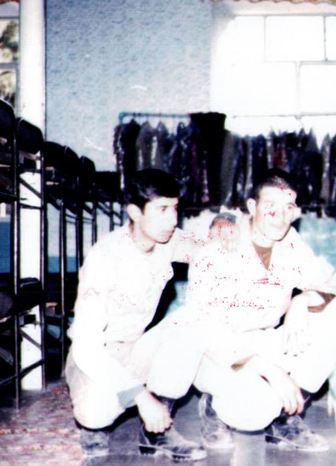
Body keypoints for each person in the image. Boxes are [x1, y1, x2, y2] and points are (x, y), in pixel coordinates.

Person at [148, 168, 336, 452]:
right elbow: (201, 323)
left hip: (263, 341)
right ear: (252, 206)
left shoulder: (290, 242)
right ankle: (212, 404)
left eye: (288, 208)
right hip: (218, 353)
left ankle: (286, 417)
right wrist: (271, 372)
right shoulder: (221, 243)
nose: (280, 217)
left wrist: (302, 301)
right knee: (253, 413)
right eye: (271, 207)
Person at [65, 169, 206, 461]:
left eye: (175, 208)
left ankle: (157, 431)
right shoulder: (105, 258)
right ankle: (93, 429)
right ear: (134, 212)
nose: (172, 220)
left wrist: (223, 225)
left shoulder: (168, 239)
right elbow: (87, 349)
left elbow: (211, 249)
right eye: (162, 209)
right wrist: (140, 396)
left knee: (192, 321)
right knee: (95, 411)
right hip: (100, 356)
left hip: (138, 348)